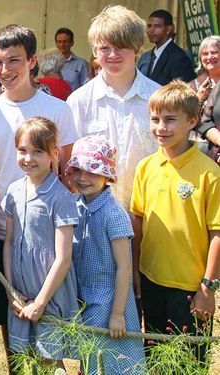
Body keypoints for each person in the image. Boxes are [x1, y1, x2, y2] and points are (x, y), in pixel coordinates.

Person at [0, 25, 78, 369]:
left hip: (48, 235)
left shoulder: (59, 110)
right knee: (12, 318)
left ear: (33, 60)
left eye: (13, 60)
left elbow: (66, 174)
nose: (5, 70)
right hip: (3, 231)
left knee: (52, 318)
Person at [131, 81, 220, 365]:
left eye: (170, 120)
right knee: (156, 360)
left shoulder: (209, 173)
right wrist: (135, 272)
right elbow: (137, 222)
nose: (161, 127)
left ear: (192, 120)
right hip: (151, 279)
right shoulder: (145, 167)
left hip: (191, 287)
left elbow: (217, 232)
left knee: (189, 364)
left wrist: (208, 287)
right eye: (155, 119)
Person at [2, 117, 79, 368]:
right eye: (22, 150)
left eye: (37, 151)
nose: (28, 158)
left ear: (54, 154)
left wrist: (41, 301)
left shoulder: (61, 197)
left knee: (50, 361)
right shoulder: (14, 190)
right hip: (21, 292)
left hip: (49, 293)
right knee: (28, 361)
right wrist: (10, 289)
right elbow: (9, 242)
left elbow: (63, 258)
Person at [67, 5, 160, 209]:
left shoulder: (158, 98)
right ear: (94, 51)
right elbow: (69, 164)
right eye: (104, 48)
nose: (112, 54)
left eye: (121, 47)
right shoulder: (79, 101)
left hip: (150, 213)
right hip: (92, 216)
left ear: (137, 48)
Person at [66, 136, 145, 374]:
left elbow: (123, 266)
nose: (83, 178)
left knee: (116, 361)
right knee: (90, 358)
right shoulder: (74, 204)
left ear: (107, 175)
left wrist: (118, 313)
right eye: (78, 170)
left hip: (109, 298)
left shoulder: (114, 213)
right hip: (83, 296)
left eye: (92, 171)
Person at [137, 9, 196, 85]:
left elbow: (181, 91)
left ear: (168, 29)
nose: (151, 30)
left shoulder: (179, 58)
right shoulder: (145, 57)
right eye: (149, 26)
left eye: (157, 26)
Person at [189, 36, 220, 105]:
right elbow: (186, 114)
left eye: (214, 52)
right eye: (205, 54)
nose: (209, 57)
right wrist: (199, 99)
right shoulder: (194, 86)